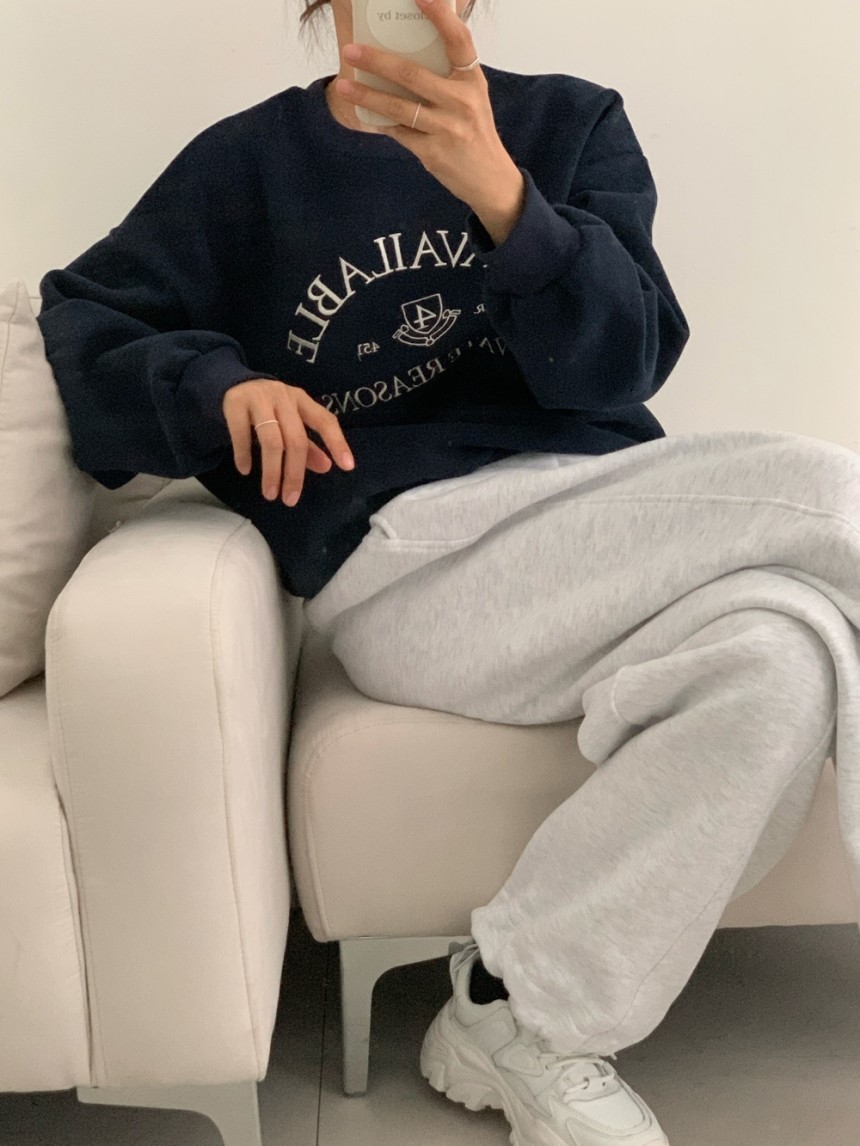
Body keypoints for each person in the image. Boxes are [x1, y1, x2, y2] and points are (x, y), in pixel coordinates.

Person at [35, 2, 857, 1144]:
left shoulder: (567, 125)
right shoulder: (245, 168)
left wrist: (509, 204)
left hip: (600, 537)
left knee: (782, 657)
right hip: (400, 555)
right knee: (828, 495)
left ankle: (518, 1012)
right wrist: (218, 385)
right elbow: (85, 320)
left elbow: (620, 367)